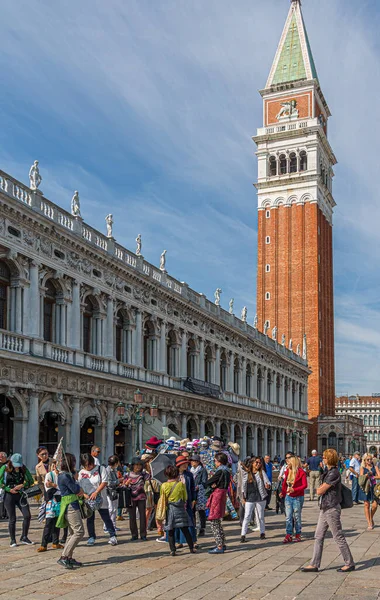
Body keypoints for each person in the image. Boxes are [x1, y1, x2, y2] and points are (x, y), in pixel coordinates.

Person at [301, 449, 355, 573]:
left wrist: (319, 488)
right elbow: (321, 487)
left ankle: (349, 562)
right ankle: (314, 564)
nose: (322, 459)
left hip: (331, 508)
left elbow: (320, 490)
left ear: (329, 459)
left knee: (338, 536)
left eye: (324, 457)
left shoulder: (334, 472)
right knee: (318, 536)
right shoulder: (328, 471)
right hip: (325, 507)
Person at [78, 454, 117, 546]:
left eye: (90, 464)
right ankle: (91, 537)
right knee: (90, 519)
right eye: (86, 465)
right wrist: (84, 494)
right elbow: (79, 486)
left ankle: (112, 535)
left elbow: (104, 482)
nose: (89, 467)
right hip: (88, 499)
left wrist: (96, 492)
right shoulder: (81, 473)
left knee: (106, 517)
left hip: (100, 498)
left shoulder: (100, 469)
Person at [56, 452, 85, 570]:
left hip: (72, 503)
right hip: (70, 505)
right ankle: (64, 556)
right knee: (79, 531)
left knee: (72, 532)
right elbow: (75, 489)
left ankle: (69, 556)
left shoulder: (66, 475)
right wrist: (76, 481)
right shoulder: (65, 476)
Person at [159, 465, 195, 556]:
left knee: (170, 531)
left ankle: (173, 550)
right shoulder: (181, 485)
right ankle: (191, 547)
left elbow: (162, 498)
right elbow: (185, 497)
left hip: (170, 510)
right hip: (180, 510)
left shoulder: (163, 486)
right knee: (185, 529)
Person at [0, 453, 34, 547]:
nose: (17, 467)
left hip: (20, 495)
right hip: (9, 495)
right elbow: (0, 482)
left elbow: (30, 480)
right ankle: (13, 539)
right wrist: (9, 489)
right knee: (12, 518)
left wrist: (22, 485)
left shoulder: (23, 468)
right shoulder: (5, 468)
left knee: (27, 515)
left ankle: (24, 537)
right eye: (15, 465)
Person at [240, 457, 271, 543]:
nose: (258, 464)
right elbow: (243, 487)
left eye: (260, 463)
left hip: (260, 497)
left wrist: (268, 485)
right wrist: (243, 497)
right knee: (247, 516)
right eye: (256, 462)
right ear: (252, 463)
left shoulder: (261, 472)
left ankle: (262, 533)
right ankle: (243, 535)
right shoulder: (246, 474)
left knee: (261, 516)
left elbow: (267, 482)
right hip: (250, 497)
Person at [206, 452, 230, 554]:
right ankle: (221, 543)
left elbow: (209, 482)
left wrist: (209, 483)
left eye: (215, 461)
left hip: (217, 495)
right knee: (217, 521)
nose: (214, 462)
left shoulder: (220, 471)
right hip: (223, 494)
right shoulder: (227, 470)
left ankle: (219, 545)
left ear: (219, 462)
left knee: (214, 520)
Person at [37, 460, 63, 552]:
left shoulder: (63, 475)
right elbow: (48, 487)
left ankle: (55, 542)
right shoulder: (49, 475)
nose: (56, 467)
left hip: (61, 500)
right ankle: (44, 544)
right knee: (49, 522)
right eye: (55, 465)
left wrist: (54, 485)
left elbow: (63, 488)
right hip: (51, 502)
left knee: (57, 522)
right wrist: (55, 486)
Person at [281, 456, 307, 543]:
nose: (287, 463)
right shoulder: (287, 471)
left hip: (297, 497)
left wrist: (295, 489)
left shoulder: (301, 472)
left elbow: (305, 485)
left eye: (289, 461)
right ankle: (288, 534)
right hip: (288, 497)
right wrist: (283, 492)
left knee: (296, 516)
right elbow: (285, 484)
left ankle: (298, 533)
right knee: (288, 516)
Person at [125, 457, 150, 541]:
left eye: (140, 465)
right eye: (136, 465)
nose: (138, 467)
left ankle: (143, 534)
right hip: (131, 497)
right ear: (133, 466)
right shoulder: (128, 475)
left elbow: (150, 477)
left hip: (141, 497)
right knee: (132, 517)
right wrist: (127, 483)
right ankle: (134, 534)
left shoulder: (143, 474)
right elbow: (123, 486)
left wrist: (147, 467)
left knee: (142, 516)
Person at [175, 455, 197, 547]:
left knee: (190, 520)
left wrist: (194, 499)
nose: (185, 466)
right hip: (176, 502)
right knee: (177, 522)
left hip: (187, 500)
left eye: (186, 464)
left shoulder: (189, 475)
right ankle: (179, 541)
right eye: (183, 464)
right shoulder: (174, 475)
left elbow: (193, 488)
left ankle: (193, 541)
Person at [360, 454, 380, 530]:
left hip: (374, 488)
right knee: (366, 505)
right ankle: (369, 522)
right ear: (364, 460)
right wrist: (366, 475)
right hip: (365, 488)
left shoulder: (375, 467)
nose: (369, 461)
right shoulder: (362, 468)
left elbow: (379, 475)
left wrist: (372, 476)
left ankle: (371, 517)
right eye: (368, 459)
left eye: (370, 459)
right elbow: (361, 477)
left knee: (375, 505)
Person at [190, 454, 208, 536]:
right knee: (192, 510)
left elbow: (204, 482)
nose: (191, 462)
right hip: (192, 492)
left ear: (197, 462)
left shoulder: (202, 470)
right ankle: (193, 527)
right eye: (191, 461)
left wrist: (198, 486)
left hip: (199, 492)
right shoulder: (190, 470)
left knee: (201, 511)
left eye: (193, 461)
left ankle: (202, 528)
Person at [105, 455, 121, 532]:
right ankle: (106, 526)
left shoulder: (113, 469)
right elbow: (108, 483)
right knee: (110, 509)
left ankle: (113, 525)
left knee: (114, 509)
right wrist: (119, 481)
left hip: (114, 490)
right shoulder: (108, 470)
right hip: (109, 491)